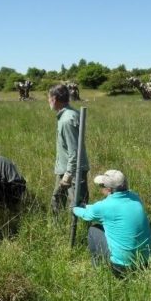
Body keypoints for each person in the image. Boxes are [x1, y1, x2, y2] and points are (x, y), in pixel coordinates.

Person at [73, 170, 151, 277]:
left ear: (109, 189)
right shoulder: (135, 197)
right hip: (145, 262)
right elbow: (98, 208)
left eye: (102, 186)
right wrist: (87, 206)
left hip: (121, 267)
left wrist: (74, 208)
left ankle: (96, 266)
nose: (100, 188)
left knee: (93, 230)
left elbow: (85, 214)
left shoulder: (104, 206)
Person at [48, 84, 89, 217]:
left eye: (49, 98)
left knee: (77, 205)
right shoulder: (69, 114)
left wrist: (69, 174)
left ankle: (78, 234)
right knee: (57, 200)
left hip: (72, 171)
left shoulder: (67, 119)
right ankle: (56, 229)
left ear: (54, 99)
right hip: (64, 168)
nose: (48, 101)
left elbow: (74, 151)